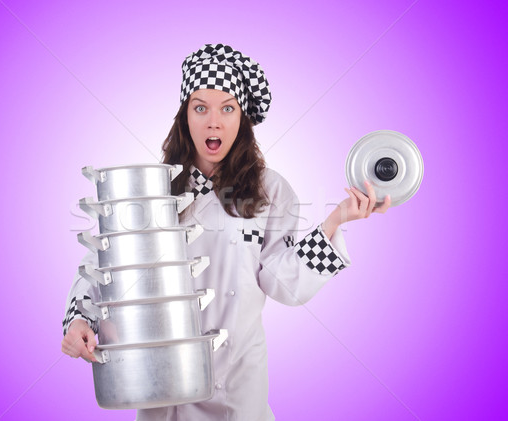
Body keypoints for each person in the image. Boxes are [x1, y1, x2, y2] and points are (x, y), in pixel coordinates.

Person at [61, 43, 391, 420]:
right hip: (165, 392)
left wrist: (334, 221)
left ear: (243, 119)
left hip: (238, 391)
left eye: (227, 108)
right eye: (200, 107)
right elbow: (104, 264)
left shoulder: (271, 190)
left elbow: (283, 285)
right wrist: (79, 320)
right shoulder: (153, 190)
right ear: (184, 117)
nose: (213, 122)